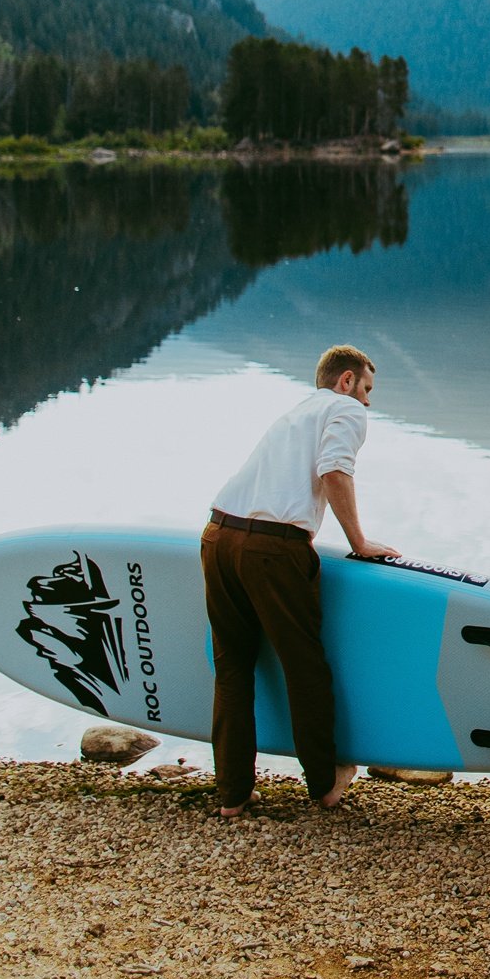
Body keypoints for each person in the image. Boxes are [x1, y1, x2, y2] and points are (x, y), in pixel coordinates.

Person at [201, 343, 399, 819]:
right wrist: (360, 541)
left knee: (232, 668)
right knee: (303, 665)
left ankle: (232, 795)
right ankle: (325, 784)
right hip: (273, 549)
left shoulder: (295, 413)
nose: (368, 401)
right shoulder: (345, 409)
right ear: (346, 380)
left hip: (217, 536)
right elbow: (334, 469)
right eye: (367, 388)